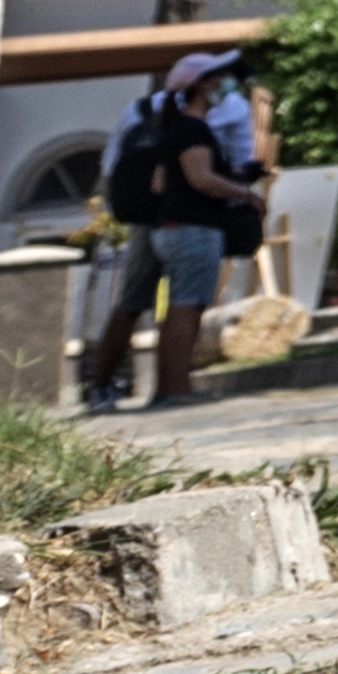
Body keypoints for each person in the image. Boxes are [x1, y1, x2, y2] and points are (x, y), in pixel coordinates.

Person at [78, 55, 268, 411]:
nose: (224, 85)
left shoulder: (144, 113)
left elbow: (124, 169)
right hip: (191, 221)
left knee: (131, 304)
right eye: (217, 78)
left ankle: (103, 387)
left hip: (151, 220)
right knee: (186, 305)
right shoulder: (198, 126)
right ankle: (174, 388)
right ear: (200, 84)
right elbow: (206, 175)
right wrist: (241, 189)